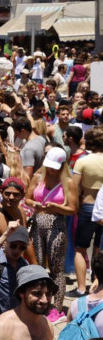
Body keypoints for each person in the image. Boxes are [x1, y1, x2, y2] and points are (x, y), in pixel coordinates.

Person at [24, 146, 76, 319]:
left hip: (57, 225)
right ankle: (37, 301)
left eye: (55, 167)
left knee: (56, 268)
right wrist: (35, 205)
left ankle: (56, 307)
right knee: (37, 265)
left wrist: (56, 207)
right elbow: (28, 198)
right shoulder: (39, 177)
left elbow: (72, 209)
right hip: (38, 223)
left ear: (62, 166)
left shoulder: (68, 182)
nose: (51, 170)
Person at [71, 126, 103, 297]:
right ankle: (98, 285)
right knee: (100, 248)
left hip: (89, 206)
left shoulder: (83, 161)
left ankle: (81, 288)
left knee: (80, 249)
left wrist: (75, 209)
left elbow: (74, 189)